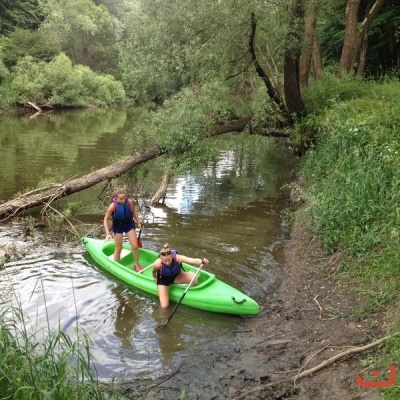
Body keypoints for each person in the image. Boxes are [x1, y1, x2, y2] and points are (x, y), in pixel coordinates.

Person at [151, 243, 209, 308]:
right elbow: (153, 271)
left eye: (169, 260)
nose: (167, 262)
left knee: (194, 280)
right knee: (164, 306)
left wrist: (202, 261)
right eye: (165, 261)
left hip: (177, 275)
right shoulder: (157, 263)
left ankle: (186, 290)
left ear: (172, 256)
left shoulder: (177, 258)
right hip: (164, 280)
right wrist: (154, 277)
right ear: (161, 259)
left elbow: (191, 260)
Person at [103, 188, 143, 272]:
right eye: (121, 199)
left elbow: (134, 212)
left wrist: (138, 222)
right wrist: (107, 233)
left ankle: (136, 264)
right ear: (116, 198)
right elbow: (105, 219)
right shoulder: (112, 206)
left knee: (135, 246)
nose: (123, 200)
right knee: (118, 248)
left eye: (124, 198)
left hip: (128, 224)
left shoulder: (130, 202)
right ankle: (117, 266)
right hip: (118, 227)